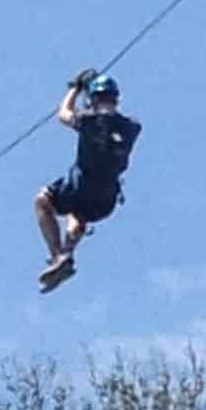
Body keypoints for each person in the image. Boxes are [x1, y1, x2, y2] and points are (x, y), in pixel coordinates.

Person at [35, 70, 141, 290]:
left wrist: (75, 89)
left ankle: (57, 256)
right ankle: (68, 251)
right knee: (79, 215)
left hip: (81, 184)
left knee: (42, 201)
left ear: (93, 99)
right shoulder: (132, 127)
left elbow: (63, 114)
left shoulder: (89, 121)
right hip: (106, 197)